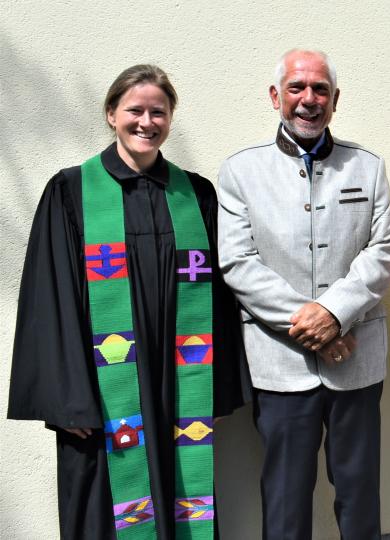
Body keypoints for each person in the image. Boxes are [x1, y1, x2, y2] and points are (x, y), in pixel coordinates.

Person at [6, 64, 250, 539]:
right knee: (106, 507)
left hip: (180, 387)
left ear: (170, 119)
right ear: (111, 114)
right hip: (102, 395)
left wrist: (215, 385)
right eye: (135, 110)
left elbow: (218, 296)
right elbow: (49, 299)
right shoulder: (71, 192)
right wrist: (68, 401)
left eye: (158, 112)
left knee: (184, 488)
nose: (146, 121)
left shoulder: (194, 194)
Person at [217, 49, 390, 540]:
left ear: (335, 100)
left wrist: (336, 314)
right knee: (284, 500)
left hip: (356, 360)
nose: (309, 99)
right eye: (297, 88)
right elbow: (238, 262)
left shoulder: (367, 166)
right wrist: (314, 323)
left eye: (320, 89)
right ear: (276, 96)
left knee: (360, 495)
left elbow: (385, 249)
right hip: (280, 364)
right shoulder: (240, 172)